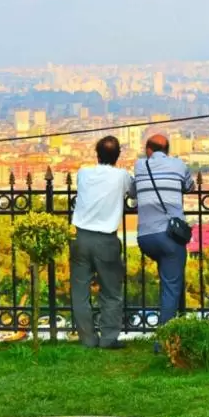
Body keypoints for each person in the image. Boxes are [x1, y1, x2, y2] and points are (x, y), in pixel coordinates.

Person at [70, 136, 134, 349]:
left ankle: (87, 339)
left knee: (80, 291)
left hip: (81, 237)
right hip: (106, 239)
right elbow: (133, 193)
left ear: (97, 154)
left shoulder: (83, 172)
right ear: (118, 156)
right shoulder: (122, 176)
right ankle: (108, 338)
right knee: (111, 291)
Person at [131, 134, 196, 340]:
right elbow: (189, 186)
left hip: (145, 237)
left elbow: (133, 192)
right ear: (167, 149)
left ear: (149, 150)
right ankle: (166, 339)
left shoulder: (140, 166)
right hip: (169, 237)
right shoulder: (179, 165)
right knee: (171, 287)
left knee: (166, 281)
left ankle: (171, 330)